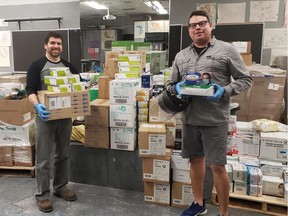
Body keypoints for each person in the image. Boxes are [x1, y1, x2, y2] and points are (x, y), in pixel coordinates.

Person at [168, 10, 252, 216]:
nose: (198, 27)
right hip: (189, 118)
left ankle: (224, 213)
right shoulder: (181, 56)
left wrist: (225, 90)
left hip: (214, 119)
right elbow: (171, 84)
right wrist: (176, 88)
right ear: (189, 31)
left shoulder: (227, 50)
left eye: (202, 23)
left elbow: (245, 79)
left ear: (210, 26)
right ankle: (199, 203)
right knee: (195, 160)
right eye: (193, 25)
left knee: (217, 166)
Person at [26, 31, 78, 213]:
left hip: (65, 118)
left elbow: (76, 89)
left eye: (58, 44)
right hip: (45, 118)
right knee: (43, 159)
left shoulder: (69, 66)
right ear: (45, 45)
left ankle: (61, 187)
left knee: (63, 154)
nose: (56, 46)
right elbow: (30, 90)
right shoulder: (37, 65)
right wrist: (37, 106)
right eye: (52, 43)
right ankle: (42, 195)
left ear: (62, 47)